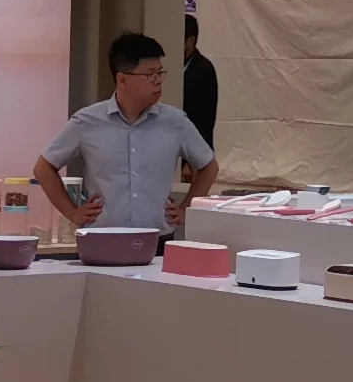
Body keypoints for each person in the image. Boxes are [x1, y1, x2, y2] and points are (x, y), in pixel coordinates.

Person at [34, 32, 215, 236]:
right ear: (123, 80)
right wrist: (73, 212)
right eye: (150, 75)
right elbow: (44, 168)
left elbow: (209, 166)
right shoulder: (86, 121)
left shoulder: (176, 122)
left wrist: (186, 209)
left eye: (160, 73)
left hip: (157, 238)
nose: (158, 81)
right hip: (102, 238)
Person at [180, 14, 220, 151]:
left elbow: (202, 118)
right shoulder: (176, 64)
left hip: (195, 148)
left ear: (190, 40)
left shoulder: (202, 69)